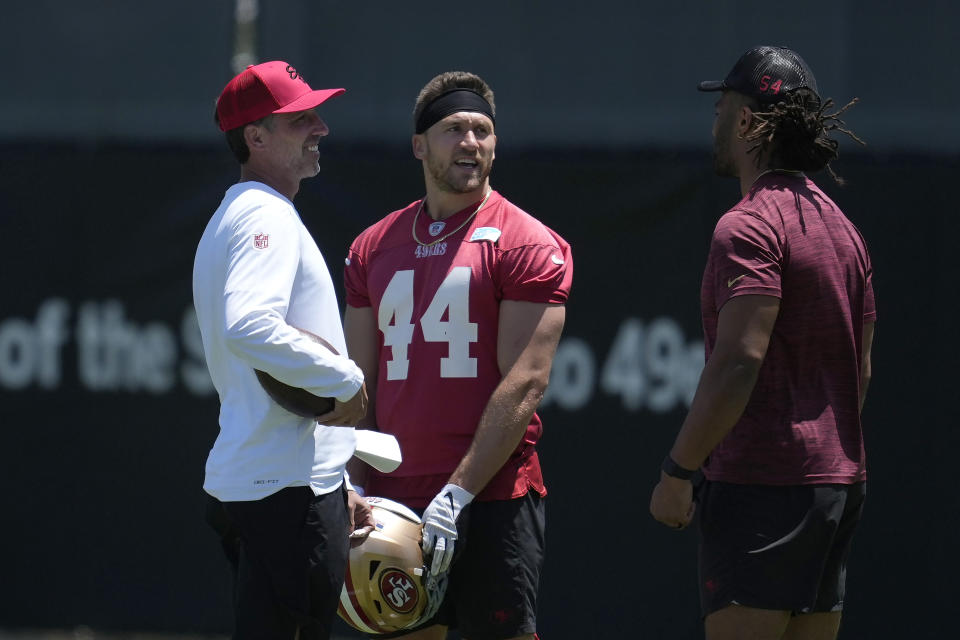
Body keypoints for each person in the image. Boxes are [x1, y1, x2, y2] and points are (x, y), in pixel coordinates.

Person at [648, 46, 875, 640]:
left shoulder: (747, 225)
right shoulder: (844, 229)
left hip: (762, 489)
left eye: (722, 106)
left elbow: (738, 362)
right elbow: (863, 372)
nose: (715, 120)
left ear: (747, 122)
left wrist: (678, 471)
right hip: (837, 486)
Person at [343, 71, 572, 640]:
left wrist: (460, 491)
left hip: (491, 494)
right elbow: (355, 384)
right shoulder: (373, 246)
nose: (471, 142)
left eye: (482, 130)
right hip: (394, 497)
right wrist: (354, 482)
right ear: (420, 145)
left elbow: (525, 382)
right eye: (454, 129)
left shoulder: (526, 241)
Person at [193, 60, 374, 640]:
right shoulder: (261, 214)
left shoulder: (246, 212)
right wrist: (345, 379)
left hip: (280, 483)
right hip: (284, 495)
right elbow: (249, 325)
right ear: (256, 137)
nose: (320, 128)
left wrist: (337, 480)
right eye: (300, 118)